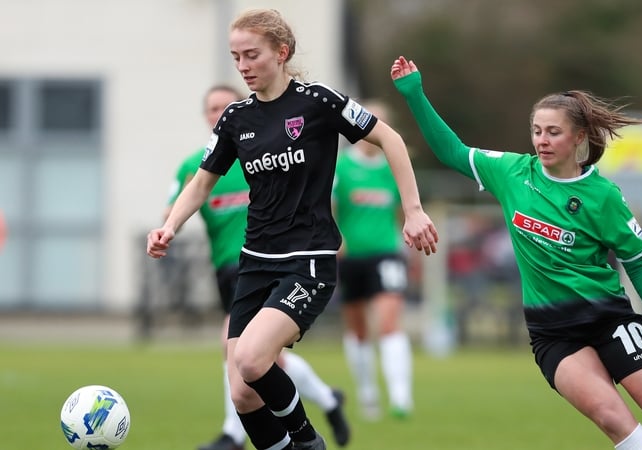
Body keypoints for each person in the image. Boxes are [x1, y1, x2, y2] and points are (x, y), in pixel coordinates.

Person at [390, 56, 642, 449]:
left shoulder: (603, 196)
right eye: (537, 131)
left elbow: (638, 263)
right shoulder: (513, 173)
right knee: (612, 418)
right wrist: (415, 94)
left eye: (553, 132)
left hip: (608, 319)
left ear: (578, 137)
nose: (542, 140)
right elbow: (451, 151)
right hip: (553, 333)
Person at [146, 9, 439, 450]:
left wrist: (413, 210)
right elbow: (201, 183)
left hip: (308, 261)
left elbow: (390, 139)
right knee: (243, 394)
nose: (243, 66)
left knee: (249, 359)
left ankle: (308, 441)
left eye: (252, 55)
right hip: (255, 263)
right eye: (236, 57)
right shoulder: (235, 119)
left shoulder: (319, 101)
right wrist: (168, 225)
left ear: (281, 53)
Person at [166, 85, 350, 450]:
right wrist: (168, 226)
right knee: (260, 366)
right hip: (235, 269)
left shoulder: (268, 149)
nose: (217, 113)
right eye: (210, 108)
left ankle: (237, 434)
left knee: (245, 356)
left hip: (278, 263)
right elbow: (184, 197)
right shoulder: (196, 165)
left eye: (223, 105)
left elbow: (313, 191)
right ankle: (327, 399)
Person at [332, 100, 414, 420]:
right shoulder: (340, 166)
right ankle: (367, 393)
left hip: (386, 253)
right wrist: (336, 239)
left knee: (389, 321)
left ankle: (400, 396)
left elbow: (401, 211)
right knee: (358, 330)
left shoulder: (393, 165)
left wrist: (407, 239)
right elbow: (329, 207)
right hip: (351, 257)